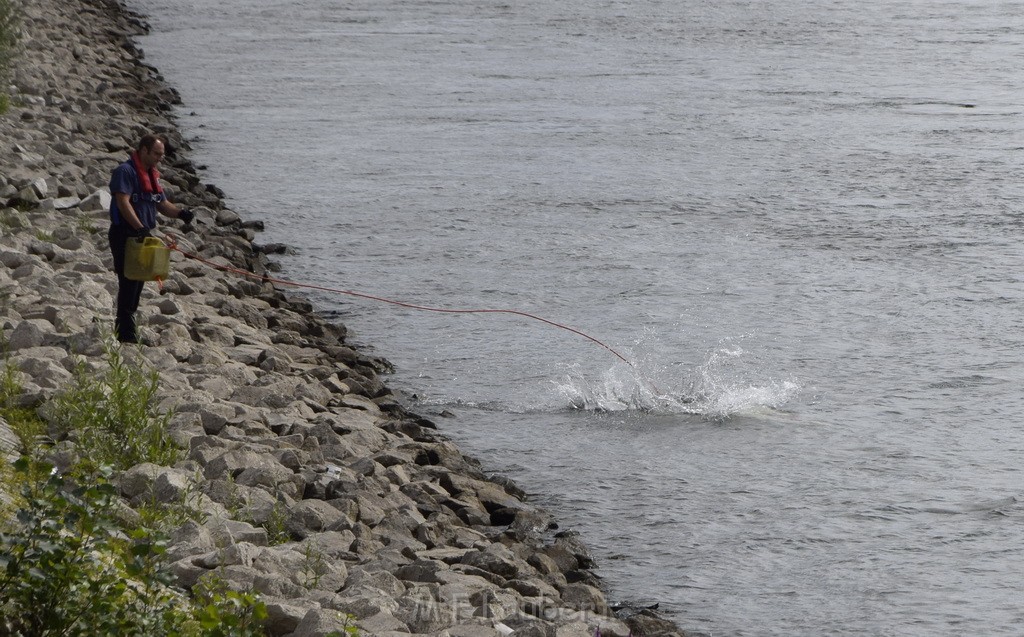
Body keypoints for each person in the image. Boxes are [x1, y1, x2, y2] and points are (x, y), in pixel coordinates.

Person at [108, 133, 194, 343]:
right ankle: (126, 335)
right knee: (128, 282)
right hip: (125, 235)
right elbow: (123, 202)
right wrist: (138, 228)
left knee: (138, 282)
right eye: (156, 153)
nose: (160, 158)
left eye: (162, 154)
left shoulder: (152, 175)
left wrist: (181, 213)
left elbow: (162, 204)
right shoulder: (125, 171)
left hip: (142, 236)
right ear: (143, 150)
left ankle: (127, 330)